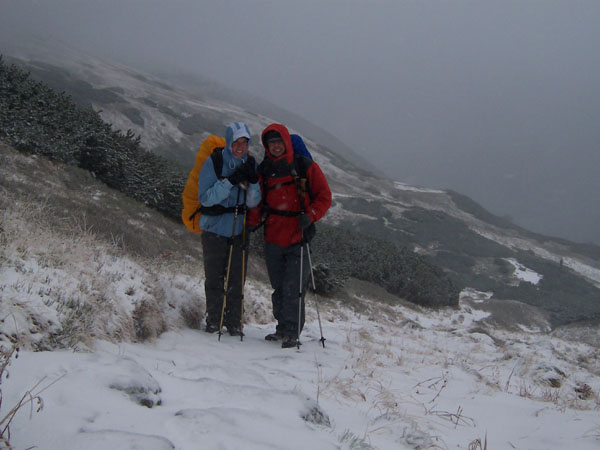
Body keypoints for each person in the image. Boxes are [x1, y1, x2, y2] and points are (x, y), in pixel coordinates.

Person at [249, 124, 332, 348]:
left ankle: (292, 332)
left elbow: (324, 196)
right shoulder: (264, 169)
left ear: (286, 141)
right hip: (273, 235)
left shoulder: (303, 166)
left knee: (293, 287)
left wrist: (311, 215)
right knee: (278, 286)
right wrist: (251, 223)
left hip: (298, 235)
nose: (275, 146)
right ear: (266, 146)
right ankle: (282, 328)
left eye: (279, 142)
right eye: (271, 143)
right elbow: (257, 201)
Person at [198, 122, 261, 336]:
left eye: (244, 142)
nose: (240, 147)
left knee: (236, 278)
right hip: (214, 227)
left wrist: (252, 181)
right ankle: (214, 320)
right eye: (236, 142)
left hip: (238, 229)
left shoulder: (249, 164)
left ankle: (234, 322)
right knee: (214, 276)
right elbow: (206, 199)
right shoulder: (214, 162)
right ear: (229, 141)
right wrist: (230, 181)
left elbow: (253, 202)